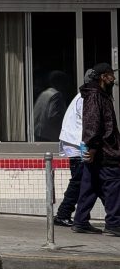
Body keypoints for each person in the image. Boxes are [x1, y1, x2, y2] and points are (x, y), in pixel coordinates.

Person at [72, 62, 120, 235]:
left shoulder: (100, 95)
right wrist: (92, 147)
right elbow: (93, 122)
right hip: (104, 150)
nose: (114, 78)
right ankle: (114, 223)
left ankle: (80, 221)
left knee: (90, 185)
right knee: (113, 185)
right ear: (103, 77)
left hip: (99, 148)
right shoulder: (95, 95)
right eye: (111, 75)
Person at [55, 69, 96, 227]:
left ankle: (73, 215)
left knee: (80, 181)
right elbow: (88, 124)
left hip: (75, 143)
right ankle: (64, 214)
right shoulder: (87, 97)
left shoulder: (83, 96)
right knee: (78, 181)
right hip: (77, 144)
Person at [34, 70, 67, 141]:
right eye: (64, 82)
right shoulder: (56, 95)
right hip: (49, 136)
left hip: (38, 133)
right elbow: (54, 116)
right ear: (59, 82)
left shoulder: (44, 93)